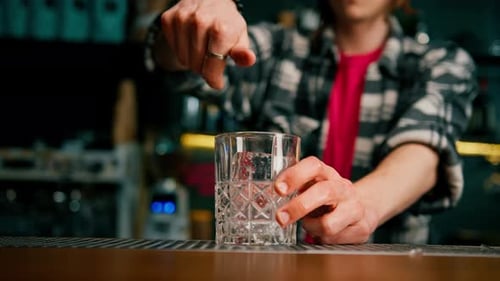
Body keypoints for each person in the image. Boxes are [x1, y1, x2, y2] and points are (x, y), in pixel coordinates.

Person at [145, 0, 478, 244]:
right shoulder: (277, 49)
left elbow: (424, 149)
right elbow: (175, 70)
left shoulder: (442, 63)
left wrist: (364, 206)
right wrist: (191, 30)